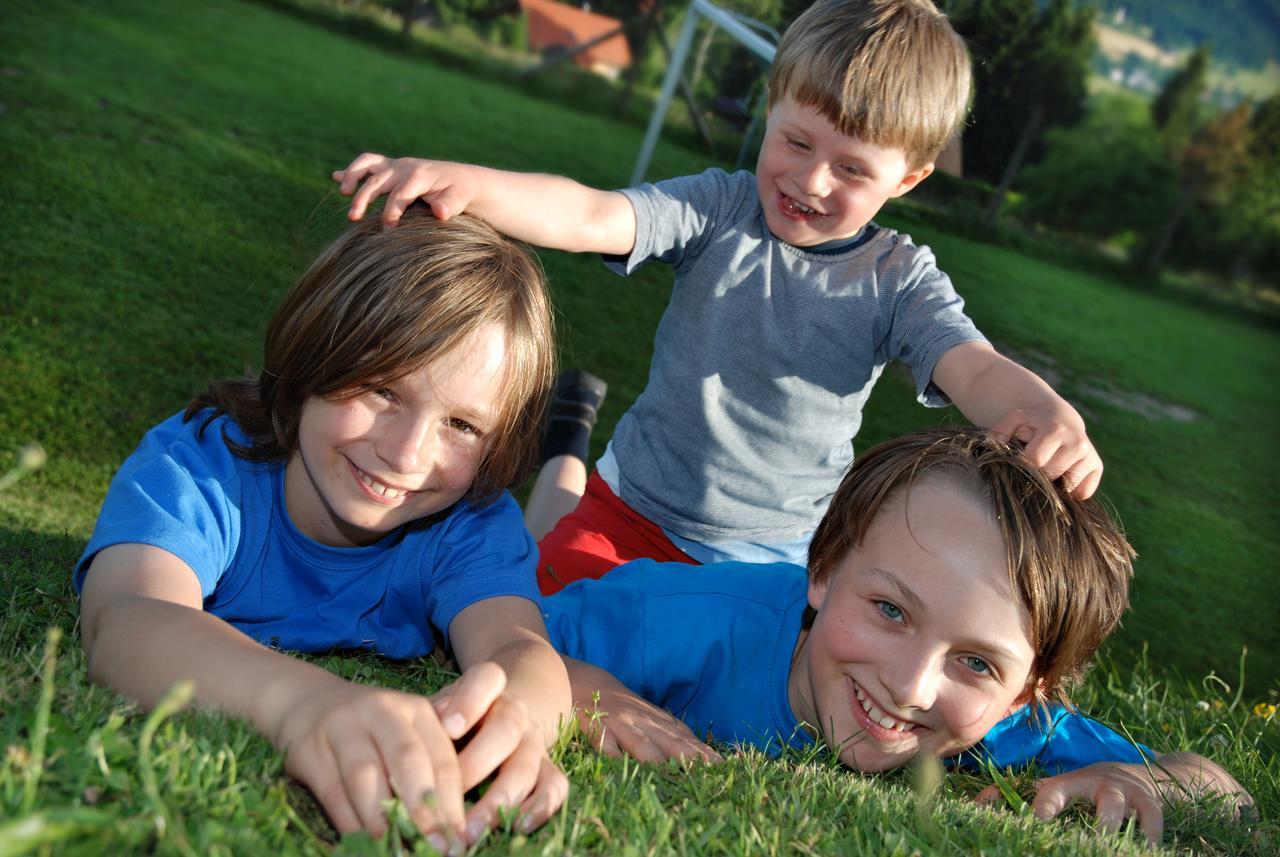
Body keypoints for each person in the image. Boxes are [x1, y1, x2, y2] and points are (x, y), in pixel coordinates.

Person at [331, 0, 1104, 592]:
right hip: (628, 509)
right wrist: (468, 184)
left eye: (852, 169)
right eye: (796, 142)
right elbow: (592, 212)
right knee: (534, 621)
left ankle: (566, 432)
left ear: (908, 180)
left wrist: (1044, 412)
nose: (809, 180)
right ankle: (570, 446)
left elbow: (970, 363)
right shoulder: (718, 209)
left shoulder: (899, 279)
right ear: (771, 111)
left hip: (765, 559)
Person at [75, 206, 571, 850]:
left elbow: (520, 649)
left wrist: (516, 715)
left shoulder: (467, 520)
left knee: (558, 546)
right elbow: (125, 620)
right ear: (315, 356)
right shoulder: (201, 469)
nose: (408, 453)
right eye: (384, 391)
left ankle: (568, 440)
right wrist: (303, 705)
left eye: (462, 425)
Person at [541, 428, 1253, 846]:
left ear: (1023, 693)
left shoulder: (999, 727)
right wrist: (582, 683)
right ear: (822, 569)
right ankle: (569, 438)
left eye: (975, 660)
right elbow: (487, 637)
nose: (911, 686)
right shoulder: (674, 621)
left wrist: (1139, 777)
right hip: (619, 563)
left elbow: (1226, 793)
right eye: (890, 610)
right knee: (552, 529)